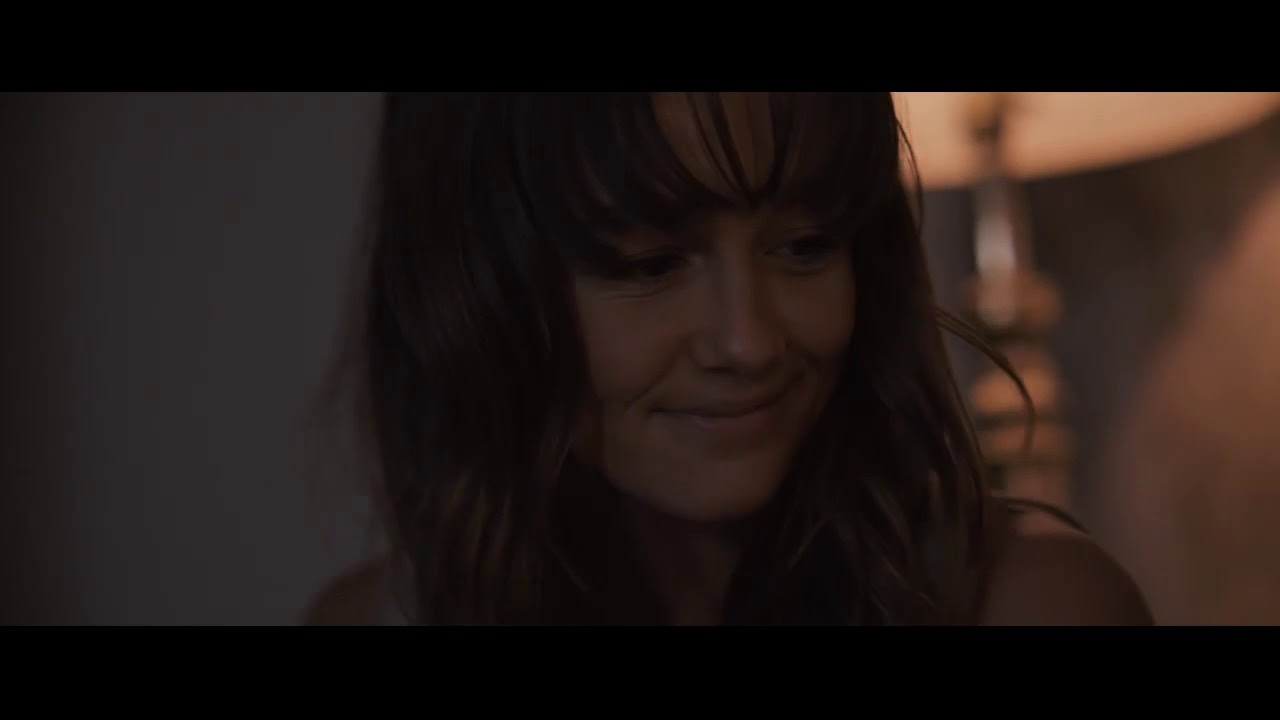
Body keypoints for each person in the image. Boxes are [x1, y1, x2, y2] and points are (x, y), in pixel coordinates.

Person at [304, 92, 1154, 626]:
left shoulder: (1034, 603)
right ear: (475, 291)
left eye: (805, 246)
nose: (749, 342)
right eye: (649, 265)